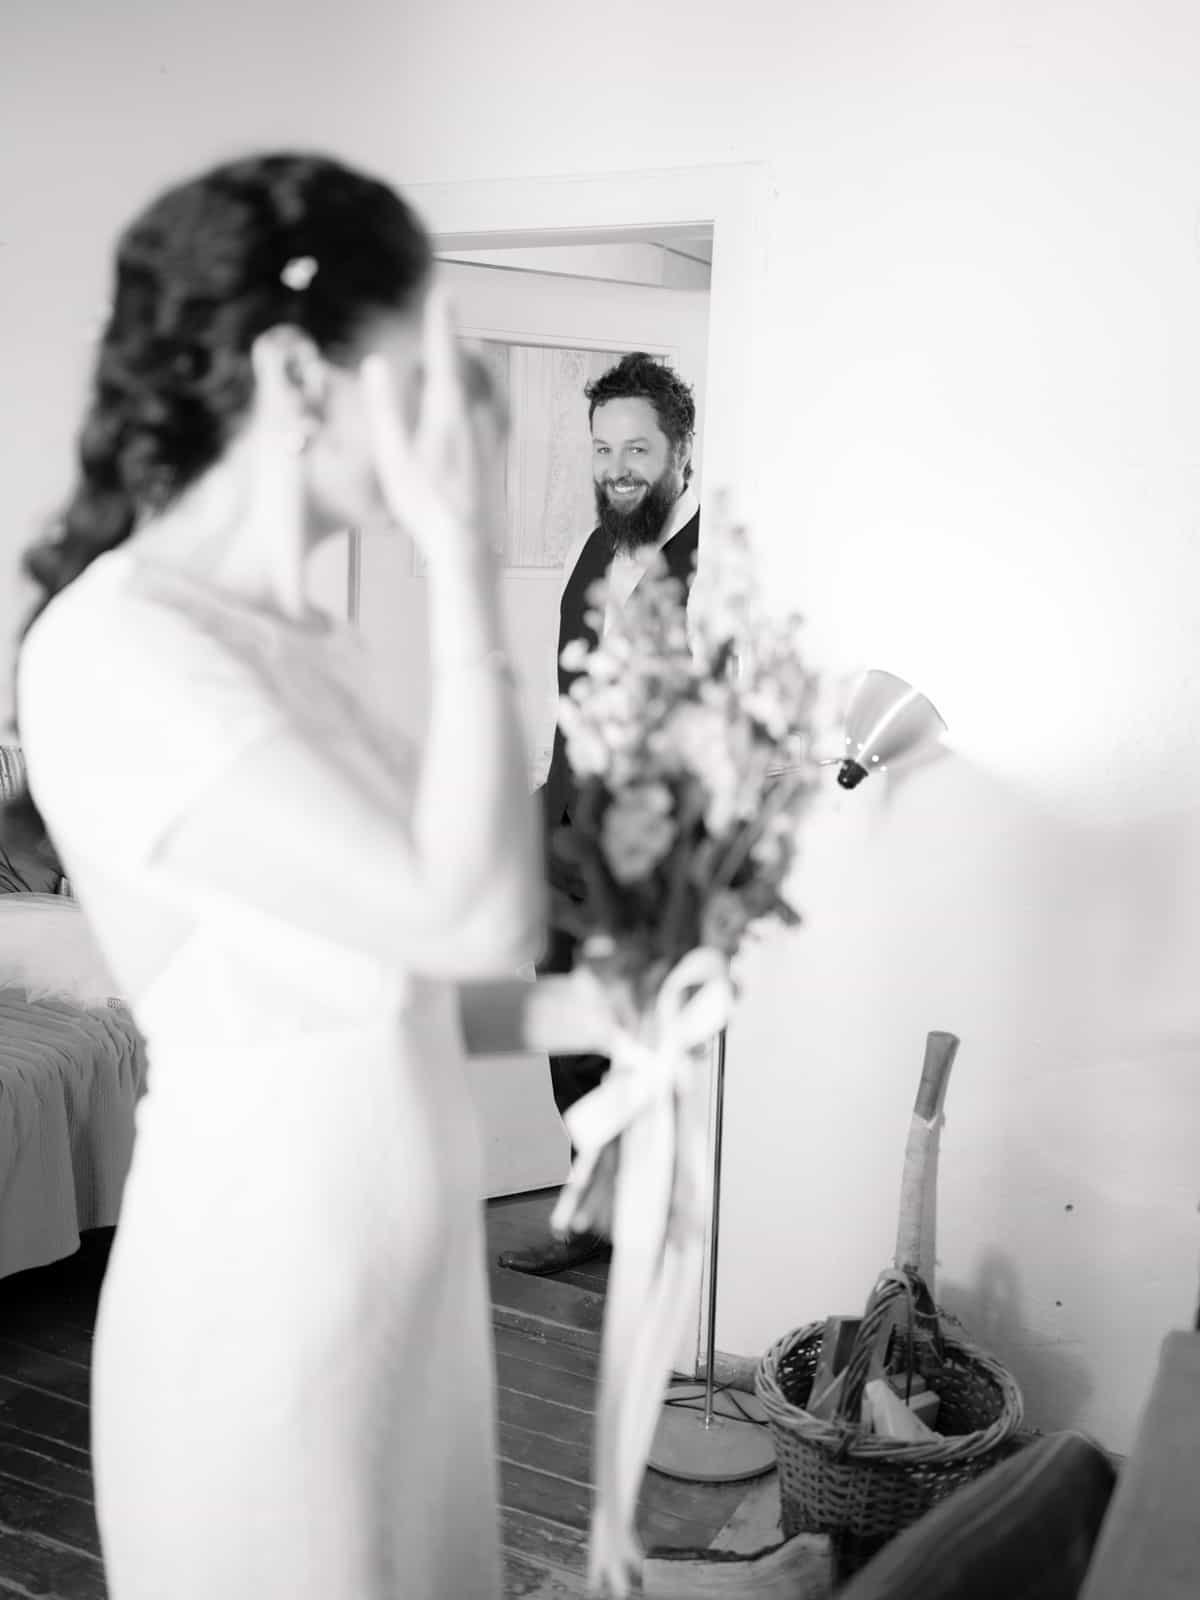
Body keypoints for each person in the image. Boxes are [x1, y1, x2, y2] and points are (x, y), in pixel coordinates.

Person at [6, 152, 613, 1600]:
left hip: (405, 1290)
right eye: (423, 361)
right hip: (269, 1300)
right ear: (294, 371)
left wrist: (613, 1010)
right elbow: (466, 911)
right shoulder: (123, 644)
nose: (460, 403)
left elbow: (388, 988)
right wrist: (463, 551)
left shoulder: (309, 645)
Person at [498, 352, 700, 1276]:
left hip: (654, 847)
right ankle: (592, 1213)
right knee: (571, 1036)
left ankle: (657, 1231)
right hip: (567, 833)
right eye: (603, 449)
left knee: (641, 1041)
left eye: (637, 450)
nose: (617, 468)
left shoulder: (717, 560)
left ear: (680, 452)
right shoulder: (596, 546)